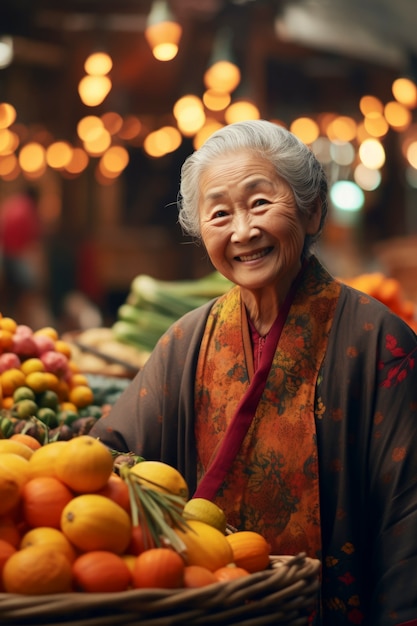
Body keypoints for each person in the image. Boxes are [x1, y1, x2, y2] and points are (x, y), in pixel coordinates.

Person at [90, 120, 417, 625]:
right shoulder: (185, 342)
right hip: (207, 605)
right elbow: (111, 458)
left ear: (312, 211)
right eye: (220, 213)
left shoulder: (381, 342)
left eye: (261, 203)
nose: (243, 231)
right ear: (201, 232)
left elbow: (408, 516)